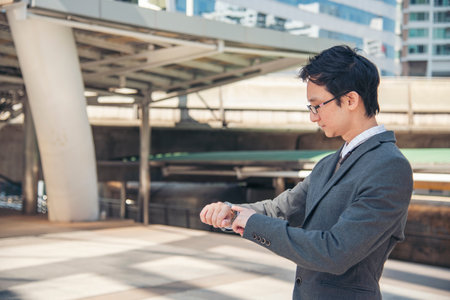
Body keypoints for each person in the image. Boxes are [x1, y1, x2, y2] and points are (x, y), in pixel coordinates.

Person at [199, 45, 413, 300]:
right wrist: (231, 212)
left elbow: (335, 252)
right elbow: (278, 209)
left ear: (351, 100)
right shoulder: (327, 164)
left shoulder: (389, 166)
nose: (313, 118)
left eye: (318, 106)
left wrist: (251, 222)